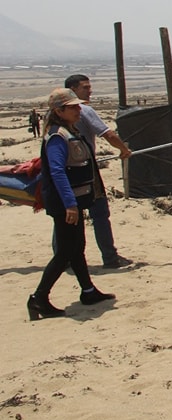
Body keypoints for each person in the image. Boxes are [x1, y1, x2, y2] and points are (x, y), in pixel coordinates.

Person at [28, 88, 116, 320]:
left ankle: (88, 291)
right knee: (66, 251)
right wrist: (69, 204)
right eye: (73, 107)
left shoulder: (69, 131)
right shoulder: (58, 136)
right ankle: (39, 298)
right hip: (64, 203)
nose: (79, 110)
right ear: (59, 111)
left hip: (73, 200)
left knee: (77, 247)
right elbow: (57, 172)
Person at [63, 74, 133, 268]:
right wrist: (124, 150)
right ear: (73, 90)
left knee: (67, 216)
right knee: (99, 213)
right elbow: (107, 134)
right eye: (85, 87)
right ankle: (110, 258)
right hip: (85, 170)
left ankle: (63, 258)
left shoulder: (55, 113)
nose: (90, 91)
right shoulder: (84, 110)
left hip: (66, 171)